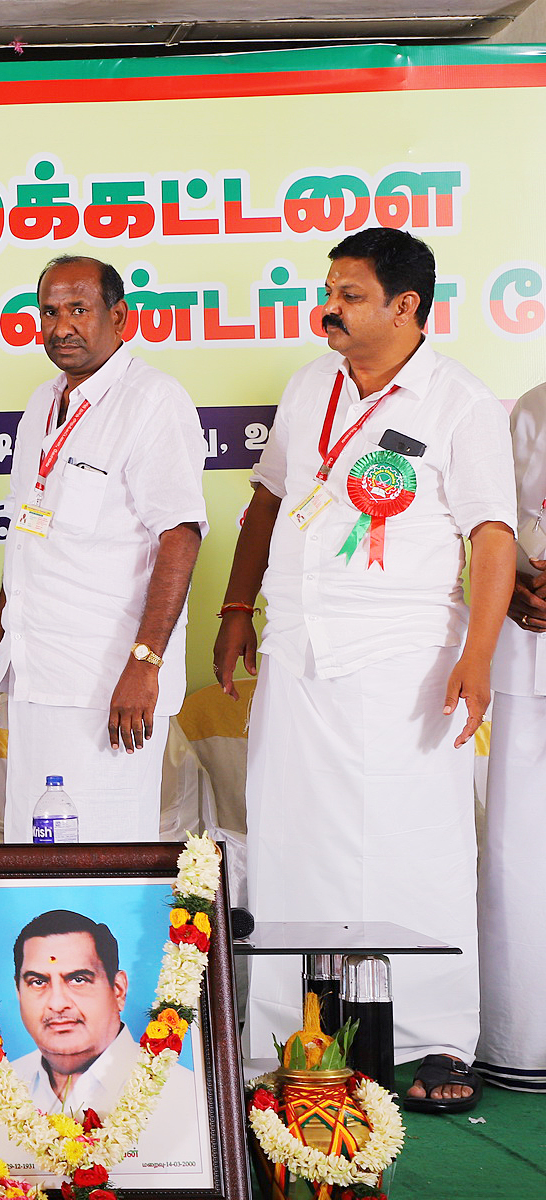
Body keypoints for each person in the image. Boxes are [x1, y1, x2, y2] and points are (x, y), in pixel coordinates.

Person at [214, 227, 513, 1113]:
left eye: (349, 295)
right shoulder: (312, 384)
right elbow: (268, 500)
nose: (329, 309)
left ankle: (433, 1042)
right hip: (299, 653)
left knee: (415, 845)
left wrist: (478, 656)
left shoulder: (461, 402)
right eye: (330, 291)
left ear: (405, 306)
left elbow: (492, 535)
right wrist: (236, 609)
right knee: (288, 839)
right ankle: (289, 1037)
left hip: (406, 663)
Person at [0, 257, 206, 841]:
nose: (62, 327)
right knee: (33, 849)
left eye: (79, 309)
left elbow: (180, 536)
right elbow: (26, 544)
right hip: (36, 675)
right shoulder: (40, 404)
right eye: (49, 312)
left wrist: (145, 664)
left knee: (102, 854)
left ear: (119, 316)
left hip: (109, 687)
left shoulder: (152, 400)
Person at [0, 910, 198, 1167]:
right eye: (38, 982)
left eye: (78, 979)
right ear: (18, 992)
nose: (57, 1003)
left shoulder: (186, 1098)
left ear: (118, 990)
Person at [476, 379, 546, 1094]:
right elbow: (503, 523)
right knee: (520, 851)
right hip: (530, 654)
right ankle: (521, 1044)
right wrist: (516, 590)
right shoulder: (533, 404)